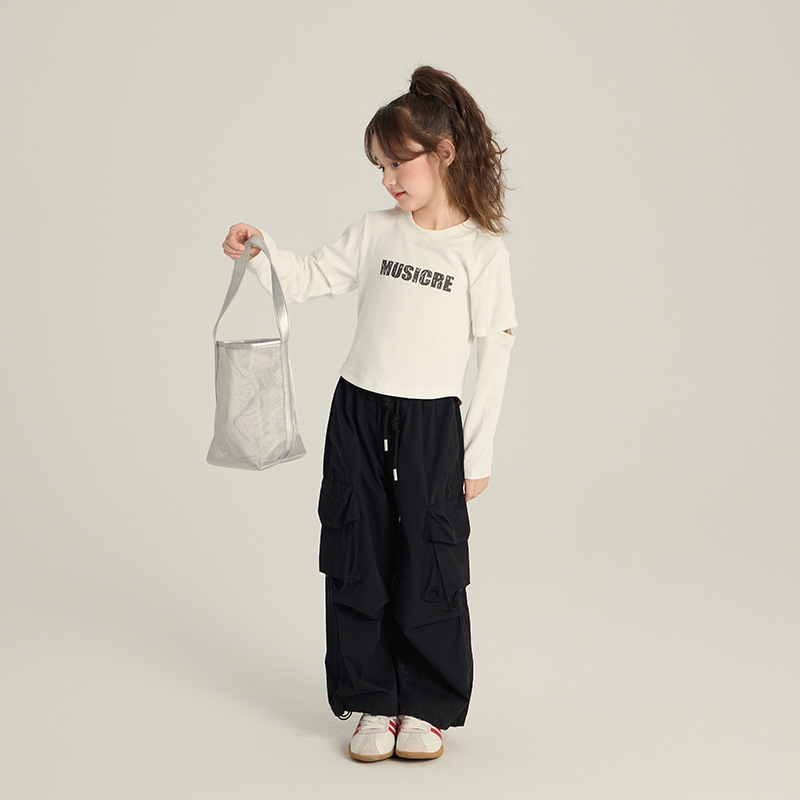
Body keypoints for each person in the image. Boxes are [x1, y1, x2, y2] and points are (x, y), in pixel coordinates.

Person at [221, 65, 517, 762]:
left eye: (396, 163)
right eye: (378, 166)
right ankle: (372, 702)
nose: (386, 179)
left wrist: (477, 453)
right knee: (357, 551)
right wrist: (261, 252)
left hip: (432, 426)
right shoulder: (377, 232)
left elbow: (494, 357)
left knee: (431, 560)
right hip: (358, 411)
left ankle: (427, 707)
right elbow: (310, 278)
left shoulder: (482, 251)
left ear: (443, 153)